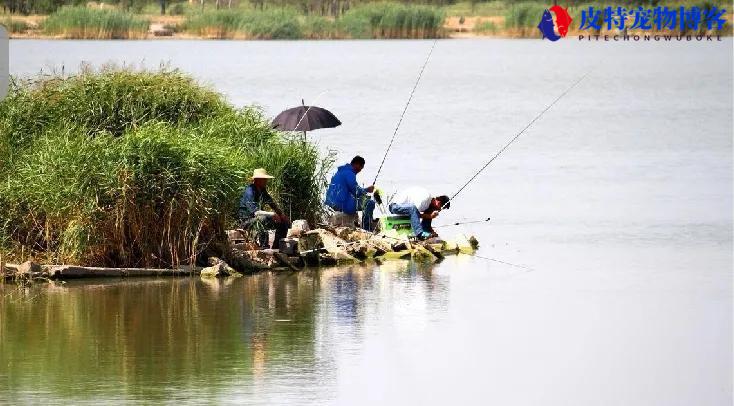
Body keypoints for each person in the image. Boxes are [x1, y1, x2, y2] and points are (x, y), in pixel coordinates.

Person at [239, 168, 290, 249]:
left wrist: (281, 215)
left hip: (257, 217)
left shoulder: (262, 190)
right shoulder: (250, 191)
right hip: (247, 221)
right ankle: (264, 246)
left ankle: (276, 247)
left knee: (283, 222)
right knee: (263, 218)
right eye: (264, 179)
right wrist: (272, 214)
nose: (266, 181)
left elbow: (272, 204)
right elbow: (255, 212)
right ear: (257, 180)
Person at [324, 156, 376, 230]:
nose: (360, 170)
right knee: (370, 203)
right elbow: (356, 191)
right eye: (361, 167)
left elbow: (351, 189)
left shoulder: (341, 171)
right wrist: (367, 190)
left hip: (331, 203)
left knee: (364, 201)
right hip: (341, 204)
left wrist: (363, 193)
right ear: (357, 164)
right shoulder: (350, 174)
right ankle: (367, 229)